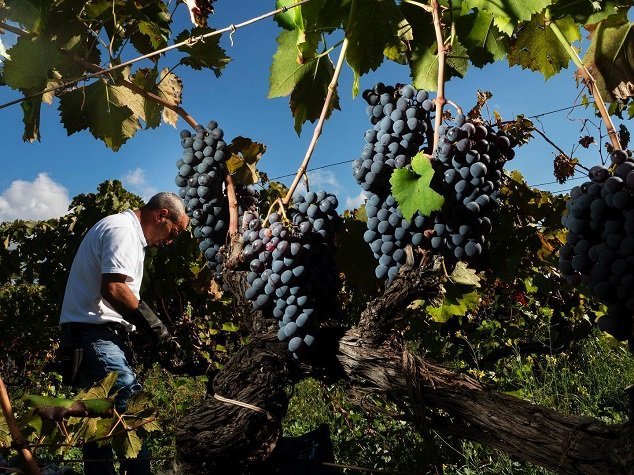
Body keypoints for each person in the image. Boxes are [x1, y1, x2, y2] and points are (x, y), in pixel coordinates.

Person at [59, 192, 189, 475]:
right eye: (174, 233)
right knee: (130, 402)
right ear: (162, 215)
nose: (170, 242)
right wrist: (156, 329)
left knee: (98, 418)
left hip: (88, 335)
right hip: (95, 335)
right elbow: (115, 289)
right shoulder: (124, 230)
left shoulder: (123, 231)